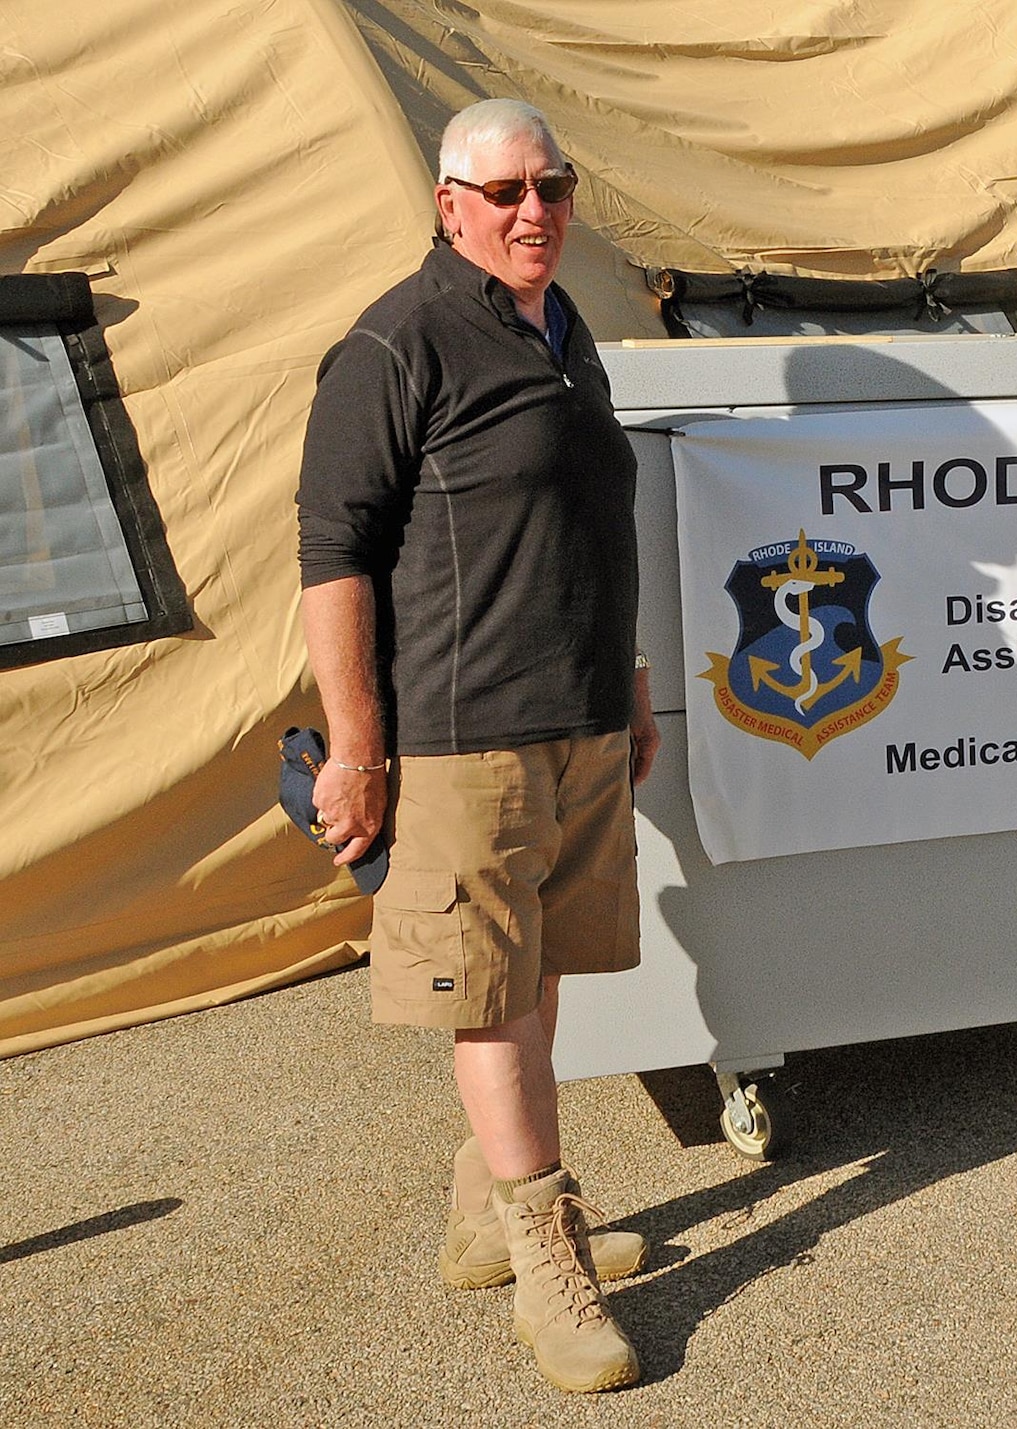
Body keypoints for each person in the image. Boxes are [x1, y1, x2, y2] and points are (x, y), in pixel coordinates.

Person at [296, 98, 659, 1395]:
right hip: (462, 738)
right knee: (491, 994)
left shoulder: (565, 332)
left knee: (537, 972)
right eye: (503, 192)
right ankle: (544, 1249)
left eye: (552, 187)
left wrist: (628, 687)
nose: (533, 212)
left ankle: (482, 1215)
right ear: (450, 203)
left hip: (576, 718)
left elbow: (582, 524)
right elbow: (332, 561)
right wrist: (357, 749)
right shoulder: (397, 344)